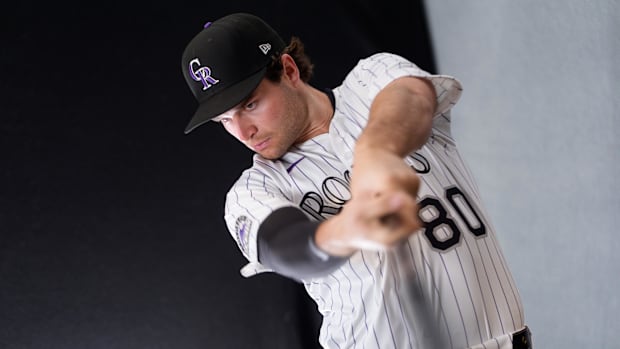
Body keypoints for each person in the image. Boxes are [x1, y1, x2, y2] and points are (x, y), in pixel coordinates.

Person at [180, 12, 532, 349]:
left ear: (288, 70)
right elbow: (289, 247)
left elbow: (411, 96)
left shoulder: (370, 80)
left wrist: (377, 150)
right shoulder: (253, 191)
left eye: (250, 104)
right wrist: (349, 229)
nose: (242, 131)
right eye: (225, 120)